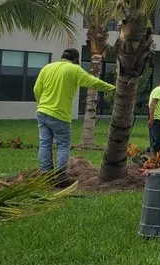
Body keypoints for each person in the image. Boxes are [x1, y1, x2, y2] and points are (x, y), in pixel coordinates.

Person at [34, 48, 115, 182]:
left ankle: (45, 172)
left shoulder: (47, 68)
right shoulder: (74, 69)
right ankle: (60, 175)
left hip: (42, 112)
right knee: (63, 144)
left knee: (44, 143)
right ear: (76, 60)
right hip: (60, 114)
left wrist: (41, 104)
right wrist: (112, 88)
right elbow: (93, 82)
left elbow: (37, 89)